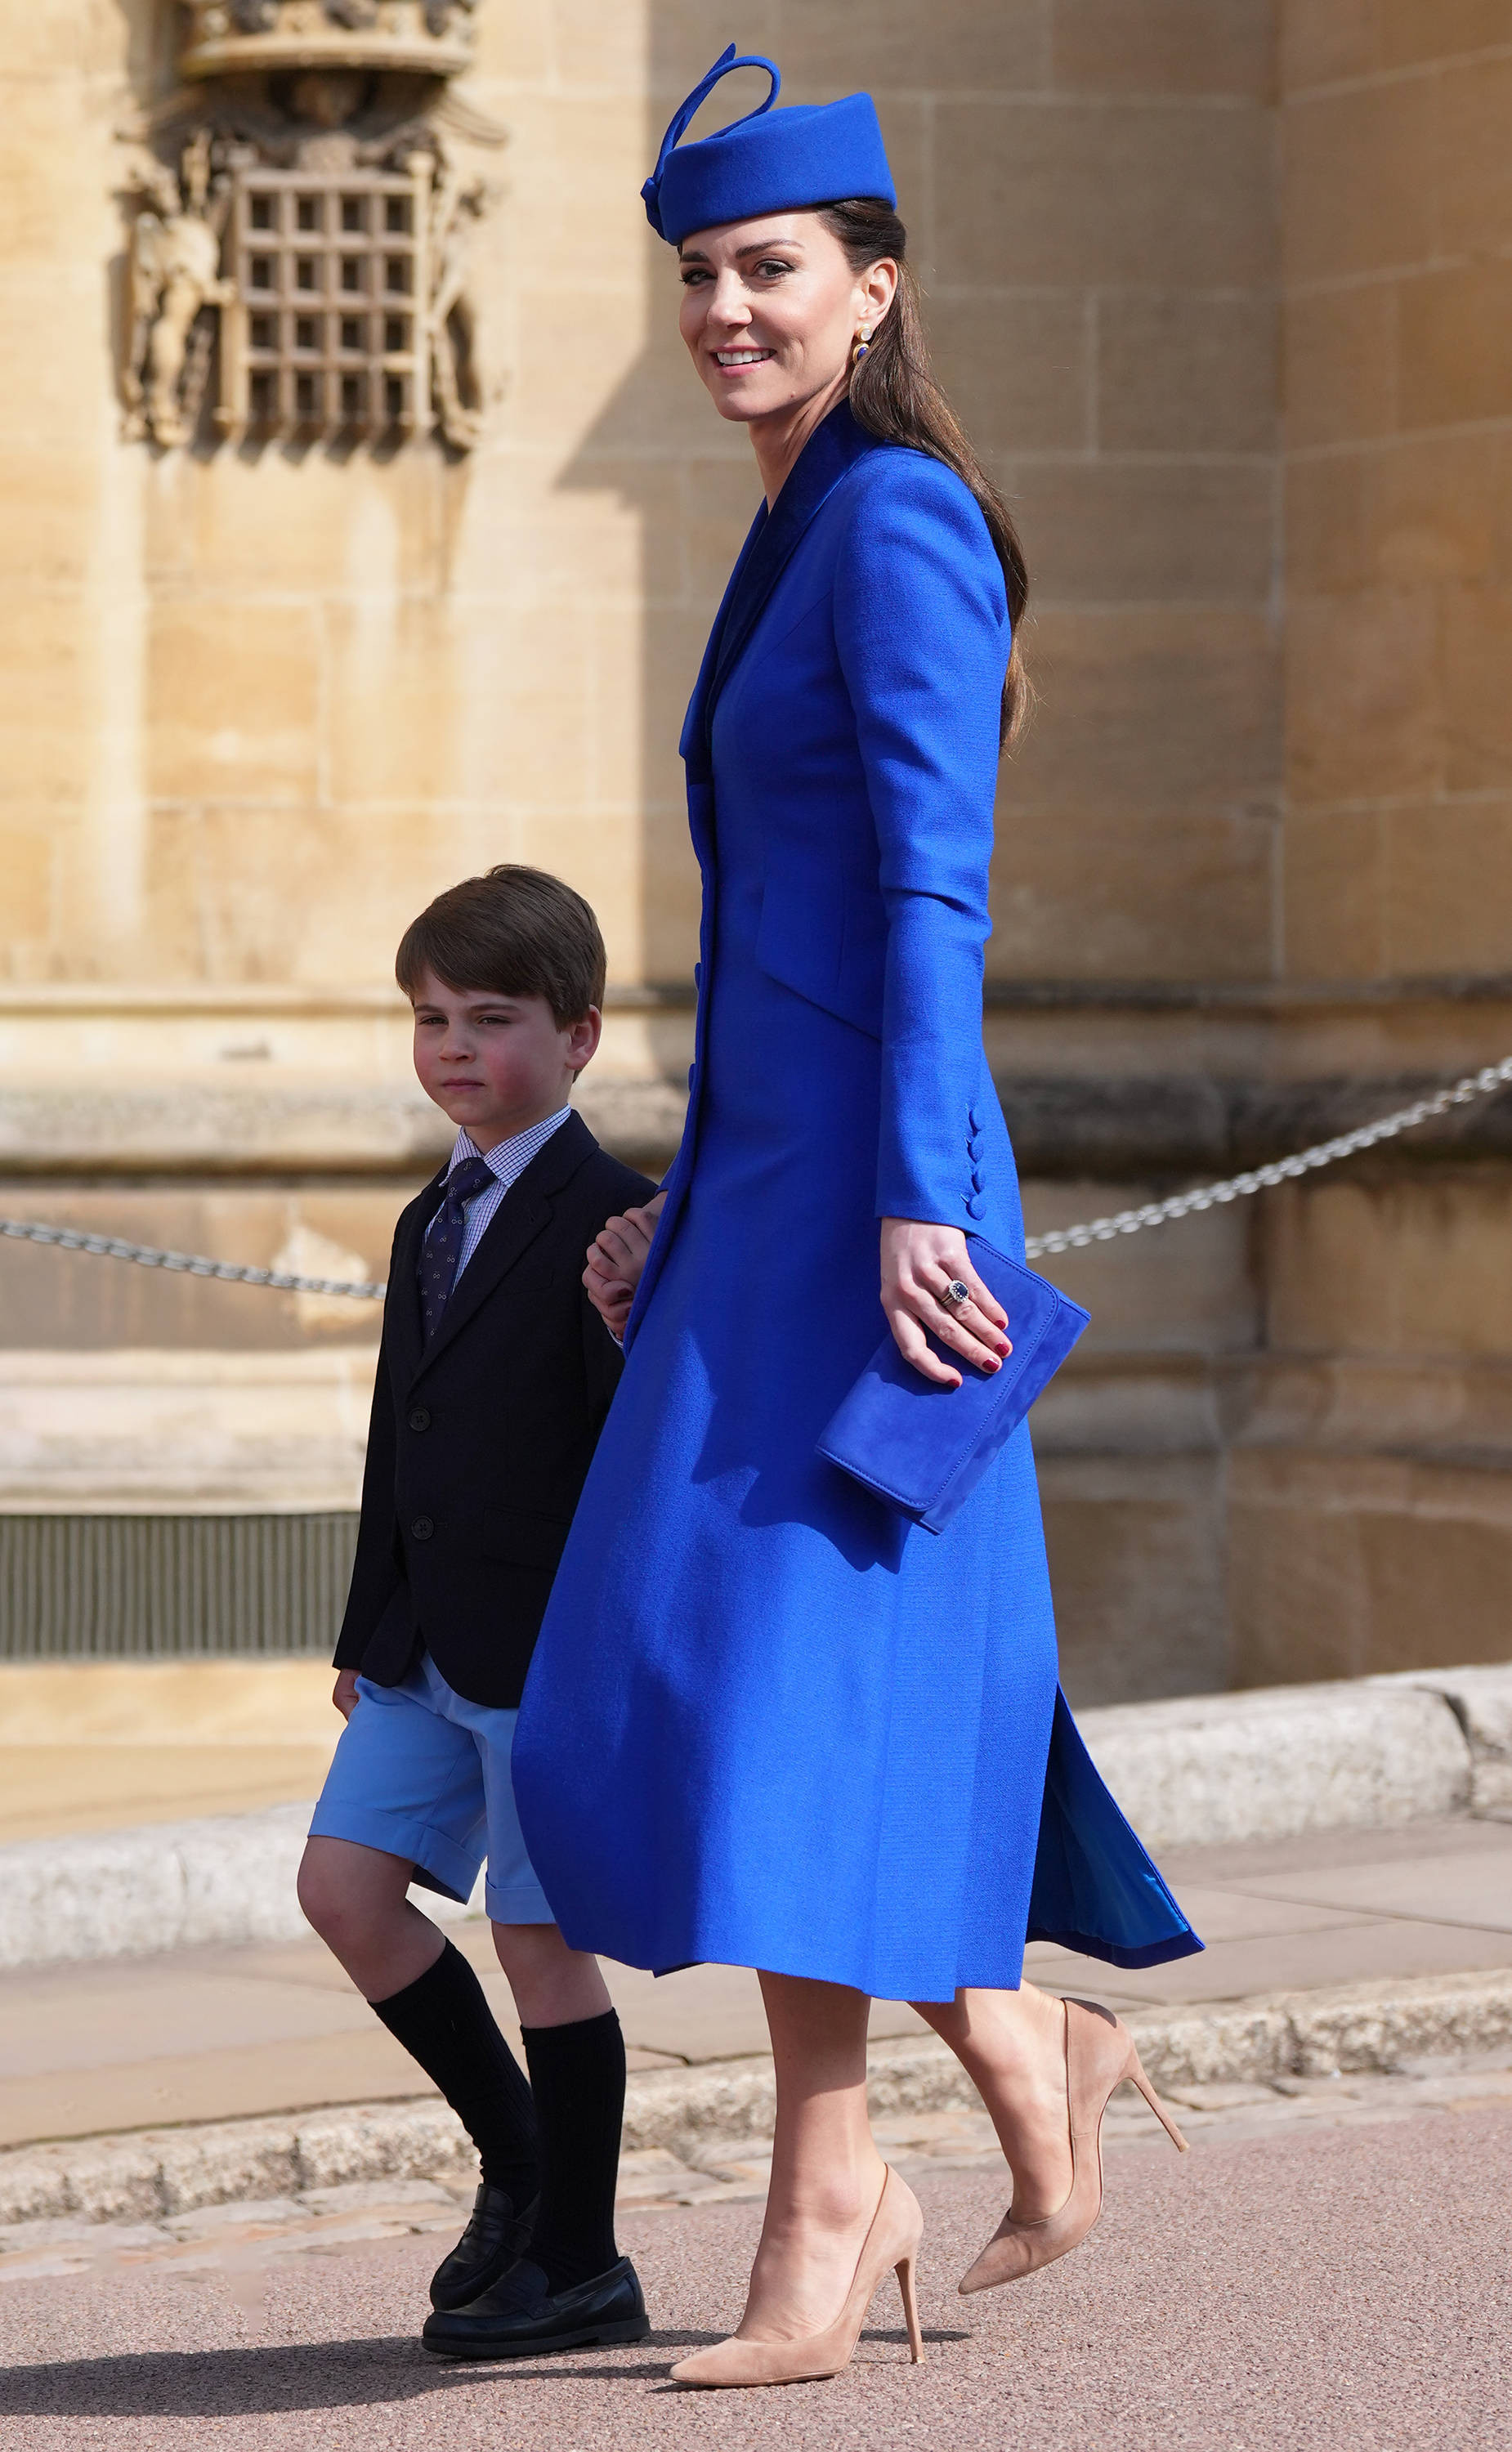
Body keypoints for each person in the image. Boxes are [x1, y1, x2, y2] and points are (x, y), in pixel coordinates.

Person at [512, 50, 1202, 2392]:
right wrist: (682, 1203)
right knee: (717, 1686)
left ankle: (839, 2200)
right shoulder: (793, 519)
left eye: (771, 268)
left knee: (785, 1690)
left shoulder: (895, 518)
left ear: (873, 287)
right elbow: (778, 935)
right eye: (700, 274)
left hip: (882, 1210)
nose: (728, 307)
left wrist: (916, 1197)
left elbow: (927, 889)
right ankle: (1015, 2050)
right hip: (774, 1202)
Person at [296, 865, 656, 2361]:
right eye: (431, 1017)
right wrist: (364, 1628)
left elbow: (640, 1452)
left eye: (491, 1018)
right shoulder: (423, 1216)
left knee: (539, 1943)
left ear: (577, 1037)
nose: (453, 1046)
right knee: (343, 1893)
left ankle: (580, 2261)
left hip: (549, 1652)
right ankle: (521, 2164)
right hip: (421, 1644)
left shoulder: (621, 1216)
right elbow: (403, 1437)